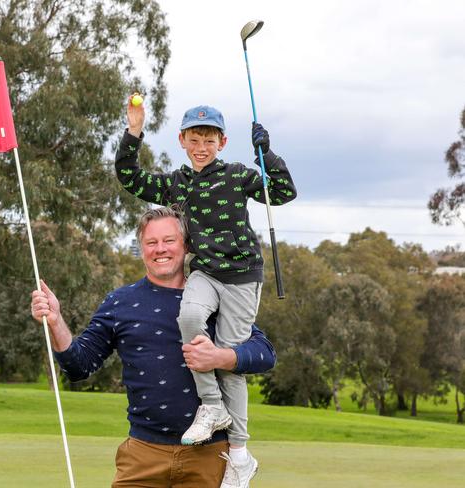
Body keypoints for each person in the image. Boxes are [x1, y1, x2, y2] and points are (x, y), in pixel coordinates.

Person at [114, 100, 297, 486]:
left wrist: (268, 153)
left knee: (228, 358)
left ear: (222, 142)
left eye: (209, 140)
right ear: (181, 140)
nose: (201, 146)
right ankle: (211, 409)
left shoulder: (236, 175)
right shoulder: (177, 184)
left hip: (244, 277)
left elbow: (282, 192)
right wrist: (133, 133)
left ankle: (241, 453)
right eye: (194, 138)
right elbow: (129, 177)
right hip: (205, 274)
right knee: (190, 317)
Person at [31, 207, 276, 487]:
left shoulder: (215, 299)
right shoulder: (119, 302)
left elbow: (264, 354)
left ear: (185, 245)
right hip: (143, 454)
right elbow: (79, 364)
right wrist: (55, 320)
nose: (161, 249)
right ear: (142, 248)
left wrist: (219, 357)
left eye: (169, 240)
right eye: (151, 242)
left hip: (209, 455)